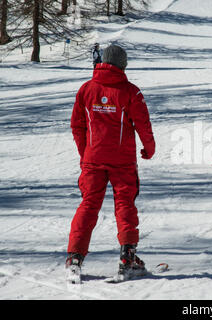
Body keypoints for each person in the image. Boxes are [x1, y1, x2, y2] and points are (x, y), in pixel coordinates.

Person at [66, 44, 156, 282]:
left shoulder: (86, 89)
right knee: (125, 204)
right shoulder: (130, 92)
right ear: (122, 65)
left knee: (88, 204)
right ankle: (127, 258)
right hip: (122, 161)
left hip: (93, 160)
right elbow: (143, 124)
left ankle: (75, 257)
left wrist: (85, 152)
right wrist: (149, 148)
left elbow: (77, 125)